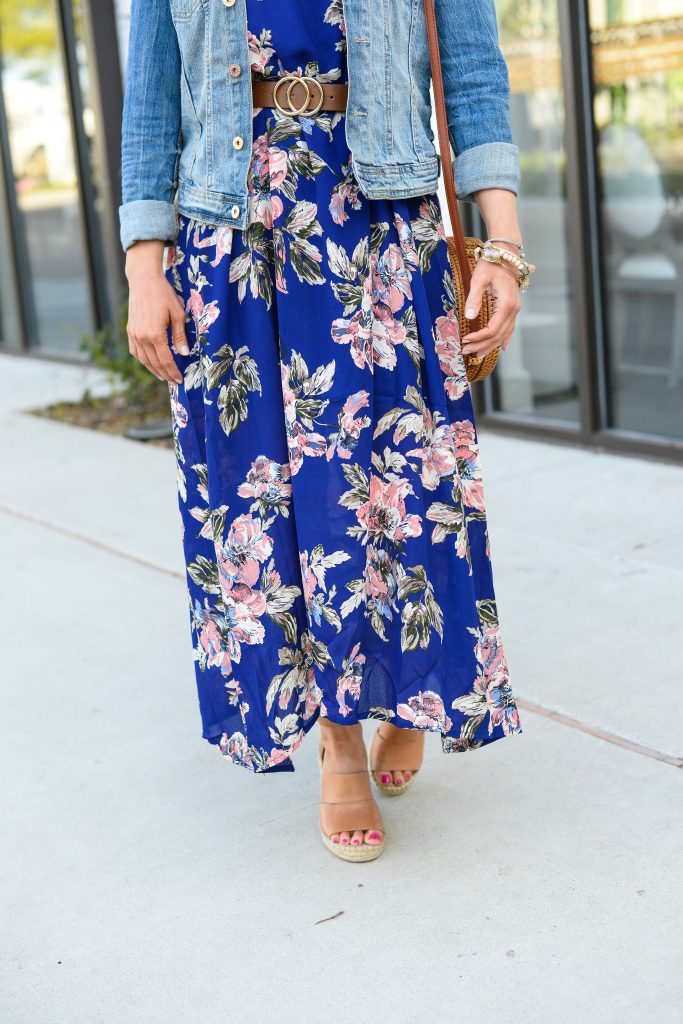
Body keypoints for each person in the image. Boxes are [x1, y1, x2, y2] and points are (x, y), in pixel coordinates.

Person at [120, 0, 525, 863]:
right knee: (273, 511)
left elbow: (474, 75)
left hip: (380, 225)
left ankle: (404, 687)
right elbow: (150, 104)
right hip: (233, 234)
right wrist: (141, 266)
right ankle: (340, 738)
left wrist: (501, 245)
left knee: (402, 488)